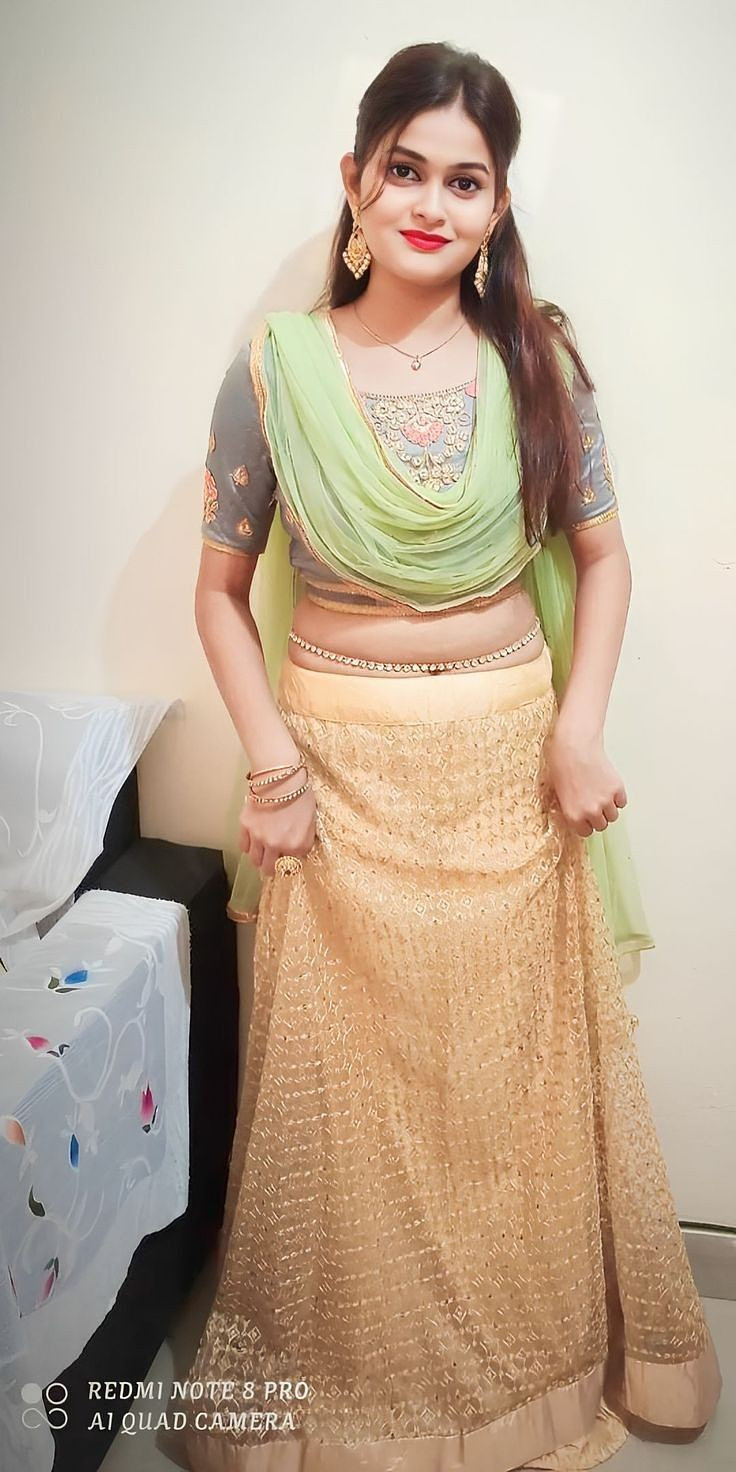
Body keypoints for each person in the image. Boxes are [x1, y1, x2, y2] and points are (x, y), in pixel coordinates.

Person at [173, 40, 721, 1472]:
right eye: (404, 169)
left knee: (508, 1102)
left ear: (498, 204)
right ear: (354, 182)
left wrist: (577, 731)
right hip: (338, 788)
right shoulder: (275, 370)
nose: (430, 203)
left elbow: (603, 560)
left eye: (464, 181)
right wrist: (274, 770)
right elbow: (218, 594)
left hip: (507, 778)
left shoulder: (538, 360)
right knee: (345, 1117)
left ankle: (530, 1388)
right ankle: (353, 1402)